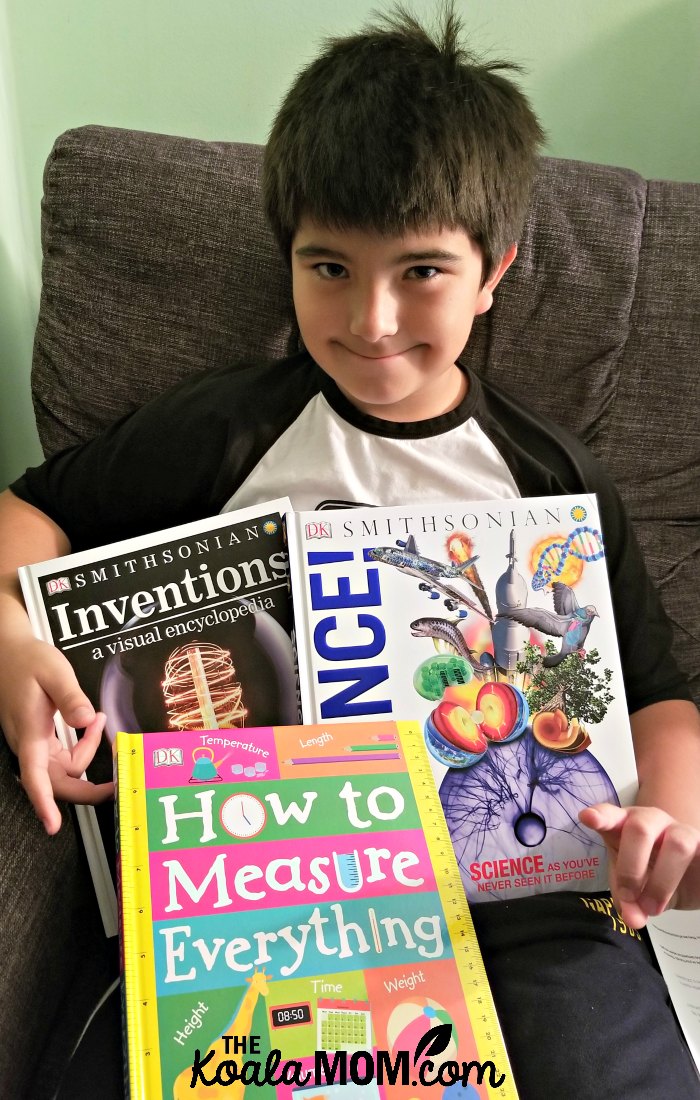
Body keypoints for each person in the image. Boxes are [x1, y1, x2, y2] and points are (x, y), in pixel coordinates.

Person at [1, 5, 699, 1097]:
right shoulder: (228, 427)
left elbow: (658, 692)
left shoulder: (551, 476)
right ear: (286, 255)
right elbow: (31, 506)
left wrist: (671, 811)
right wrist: (6, 626)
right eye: (328, 266)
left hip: (528, 888)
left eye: (421, 271)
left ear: (495, 268)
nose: (372, 319)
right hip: (264, 883)